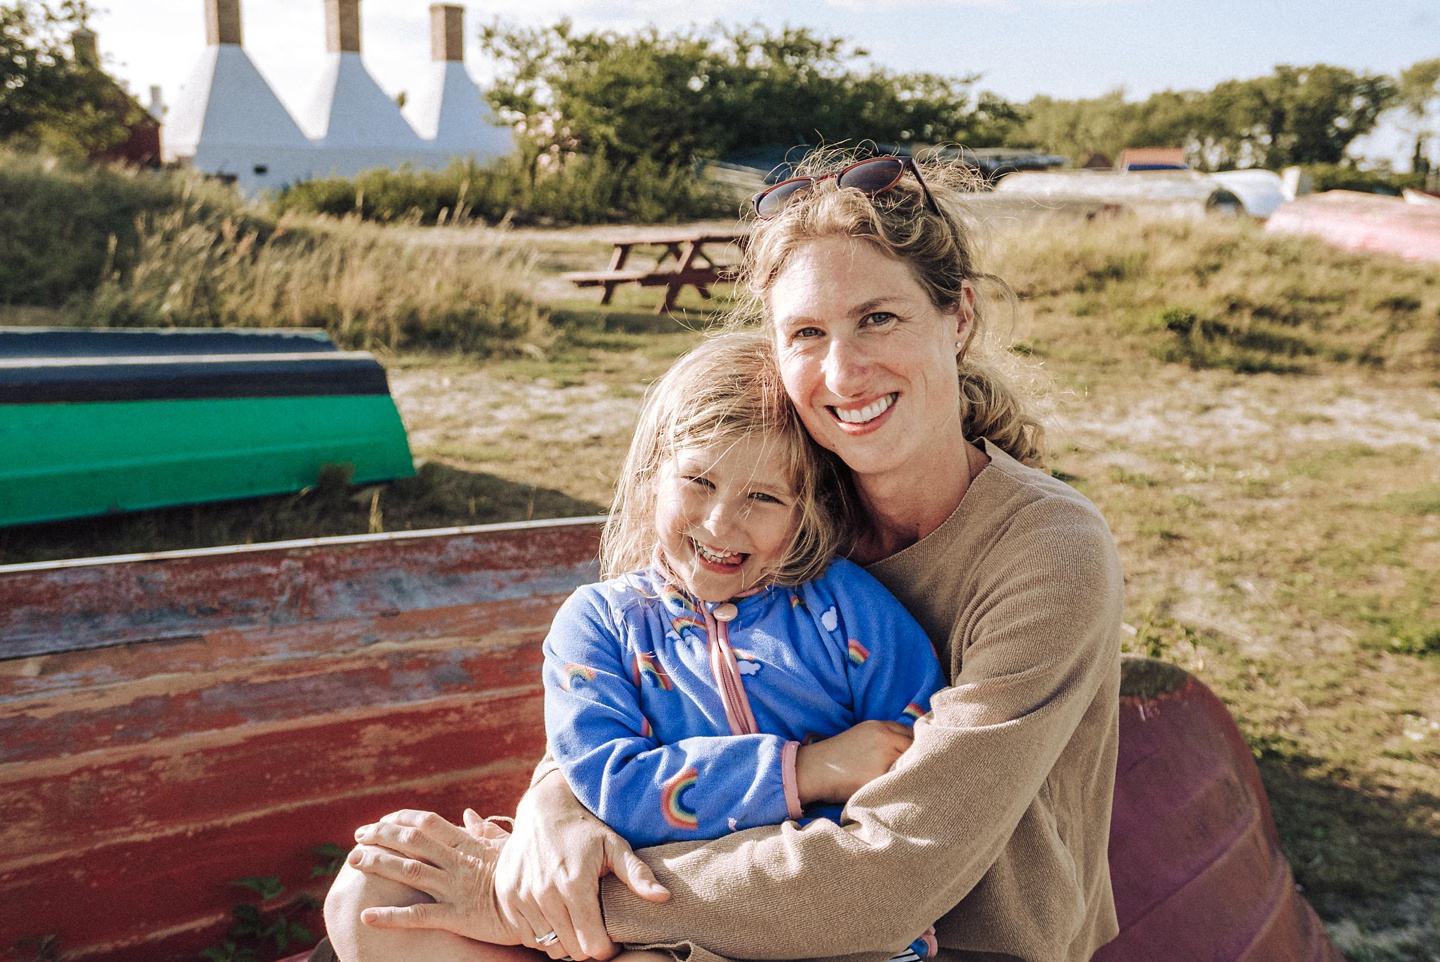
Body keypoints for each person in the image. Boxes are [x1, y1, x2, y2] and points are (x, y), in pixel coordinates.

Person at [330, 152, 1125, 962]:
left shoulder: (1047, 550)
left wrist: (564, 908)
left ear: (956, 318)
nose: (843, 372)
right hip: (713, 870)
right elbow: (630, 672)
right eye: (807, 334)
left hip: (933, 934)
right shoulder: (771, 505)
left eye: (878, 318)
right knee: (376, 896)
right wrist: (554, 806)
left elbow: (893, 874)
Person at [325, 331, 948, 962]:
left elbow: (916, 764)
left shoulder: (848, 611)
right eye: (698, 481)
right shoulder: (599, 623)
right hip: (629, 894)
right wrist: (805, 769)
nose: (719, 523)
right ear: (653, 475)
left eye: (762, 497)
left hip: (805, 915)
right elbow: (608, 783)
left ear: (806, 511)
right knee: (369, 894)